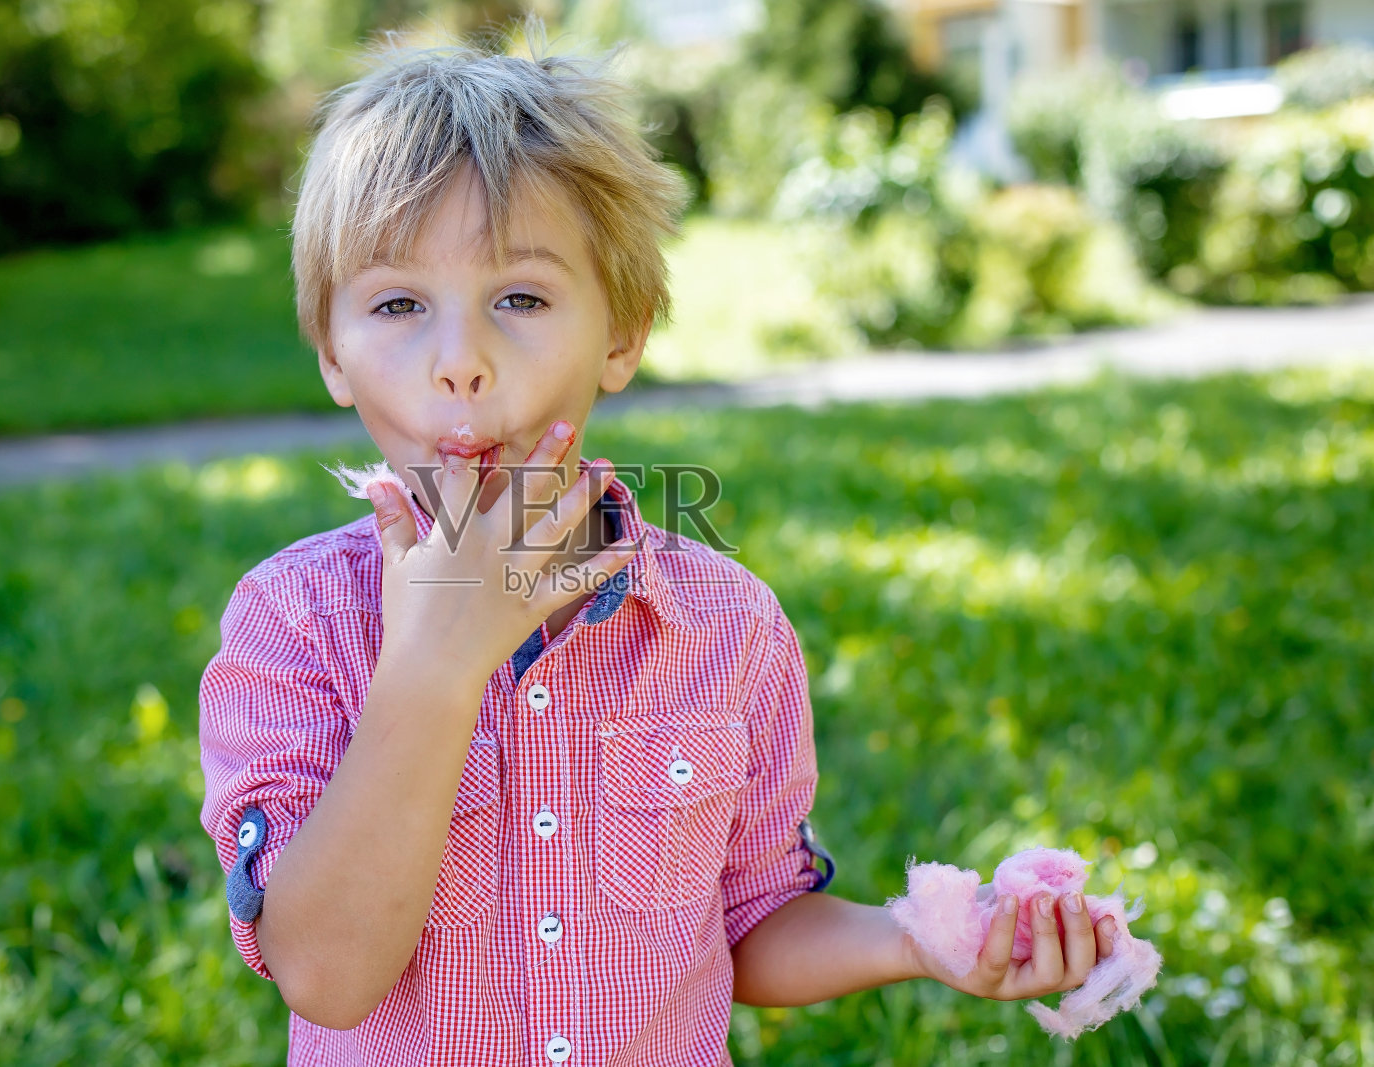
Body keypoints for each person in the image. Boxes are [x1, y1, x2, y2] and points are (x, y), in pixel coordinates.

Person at [197, 22, 1116, 1065]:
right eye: (398, 303)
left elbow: (751, 924)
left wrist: (920, 936)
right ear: (331, 349)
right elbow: (326, 973)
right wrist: (436, 666)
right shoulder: (292, 622)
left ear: (622, 333)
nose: (460, 360)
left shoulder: (727, 625)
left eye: (521, 297)